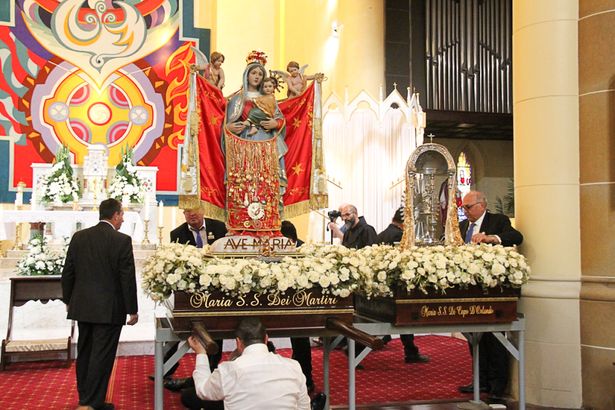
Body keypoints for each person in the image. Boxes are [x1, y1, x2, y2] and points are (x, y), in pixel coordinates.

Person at [61, 198, 138, 410]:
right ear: (114, 215)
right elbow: (127, 278)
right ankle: (92, 403)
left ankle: (86, 398)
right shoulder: (122, 240)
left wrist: (69, 300)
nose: (122, 219)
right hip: (109, 309)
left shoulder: (79, 237)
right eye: (121, 215)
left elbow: (68, 273)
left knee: (85, 353)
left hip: (83, 306)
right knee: (101, 357)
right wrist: (132, 309)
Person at [458, 190, 523, 402]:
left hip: (493, 290)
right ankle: (480, 380)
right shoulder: (462, 227)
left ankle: (497, 386)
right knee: (474, 337)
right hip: (469, 289)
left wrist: (492, 238)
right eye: (463, 208)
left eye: (468, 207)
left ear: (482, 205)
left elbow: (516, 237)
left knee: (494, 339)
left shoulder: (498, 221)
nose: (465, 211)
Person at [160, 206, 227, 392]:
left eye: (195, 210)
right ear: (184, 215)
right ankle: (168, 368)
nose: (192, 214)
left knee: (217, 327)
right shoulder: (177, 234)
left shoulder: (220, 228)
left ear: (203, 210)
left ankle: (213, 368)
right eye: (188, 211)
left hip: (218, 290)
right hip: (190, 292)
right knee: (182, 327)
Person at [187, 318, 310, 410]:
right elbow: (304, 408)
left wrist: (201, 353)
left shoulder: (228, 370)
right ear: (266, 339)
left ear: (238, 342)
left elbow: (202, 390)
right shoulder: (293, 367)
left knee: (189, 397)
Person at [224, 56, 288, 233]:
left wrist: (276, 124)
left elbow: (280, 118)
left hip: (265, 145)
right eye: (254, 72)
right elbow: (226, 125)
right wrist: (229, 127)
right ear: (247, 75)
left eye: (260, 73)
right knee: (244, 184)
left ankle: (267, 224)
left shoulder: (268, 98)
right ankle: (240, 225)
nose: (257, 76)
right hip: (243, 146)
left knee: (265, 183)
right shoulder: (237, 99)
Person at [375, 208, 430, 364]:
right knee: (405, 317)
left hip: (384, 283)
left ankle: (410, 350)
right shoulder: (399, 236)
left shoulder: (383, 234)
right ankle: (410, 351)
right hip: (398, 284)